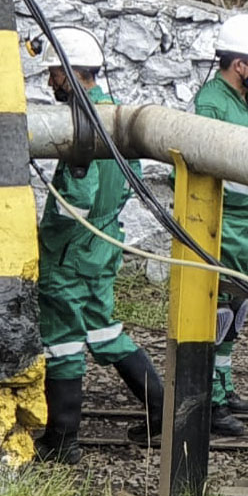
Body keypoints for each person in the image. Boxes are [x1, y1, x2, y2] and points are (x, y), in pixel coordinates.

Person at [34, 26, 163, 462]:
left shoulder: (81, 124)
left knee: (63, 339)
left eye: (55, 73)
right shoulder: (116, 114)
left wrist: (48, 243)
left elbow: (75, 200)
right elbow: (133, 180)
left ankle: (62, 440)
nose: (50, 81)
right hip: (102, 245)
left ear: (73, 73)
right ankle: (161, 408)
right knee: (102, 329)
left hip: (70, 250)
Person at [193, 14, 248, 436]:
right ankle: (209, 400)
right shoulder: (211, 103)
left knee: (237, 311)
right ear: (239, 64)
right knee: (217, 311)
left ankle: (223, 386)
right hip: (224, 225)